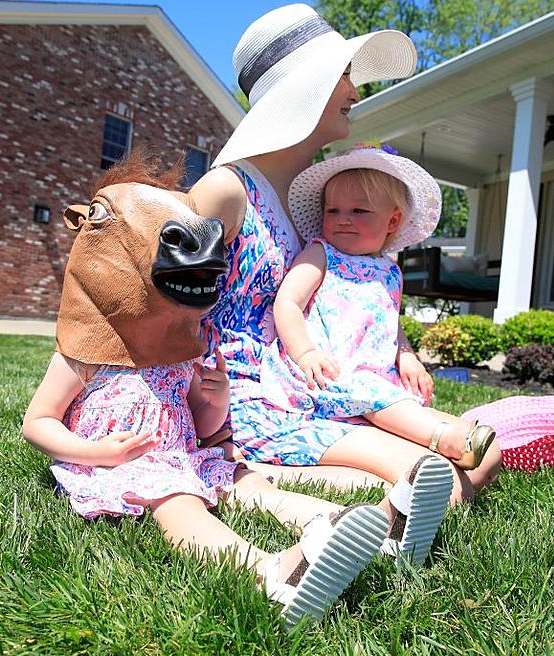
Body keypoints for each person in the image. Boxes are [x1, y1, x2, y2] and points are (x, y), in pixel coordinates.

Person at [22, 153, 454, 627]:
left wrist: (215, 399)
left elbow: (203, 430)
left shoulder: (182, 351)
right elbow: (37, 421)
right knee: (177, 502)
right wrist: (93, 452)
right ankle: (268, 573)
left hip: (185, 456)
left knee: (247, 482)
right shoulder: (85, 354)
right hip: (128, 466)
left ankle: (361, 530)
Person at [189, 4, 503, 510]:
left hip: (321, 388)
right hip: (247, 399)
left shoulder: (315, 203)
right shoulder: (226, 191)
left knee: (479, 461)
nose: (356, 91)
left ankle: (292, 481)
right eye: (345, 75)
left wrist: (399, 352)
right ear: (304, 86)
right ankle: (244, 473)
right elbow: (156, 305)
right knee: (435, 482)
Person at [261, 146, 497, 472]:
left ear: (393, 221)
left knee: (389, 399)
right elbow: (287, 302)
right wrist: (305, 354)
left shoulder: (390, 271)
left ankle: (437, 450)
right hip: (328, 370)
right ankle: (443, 438)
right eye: (333, 210)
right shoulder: (322, 254)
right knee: (376, 396)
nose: (343, 219)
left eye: (359, 211)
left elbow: (390, 322)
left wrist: (408, 357)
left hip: (372, 373)